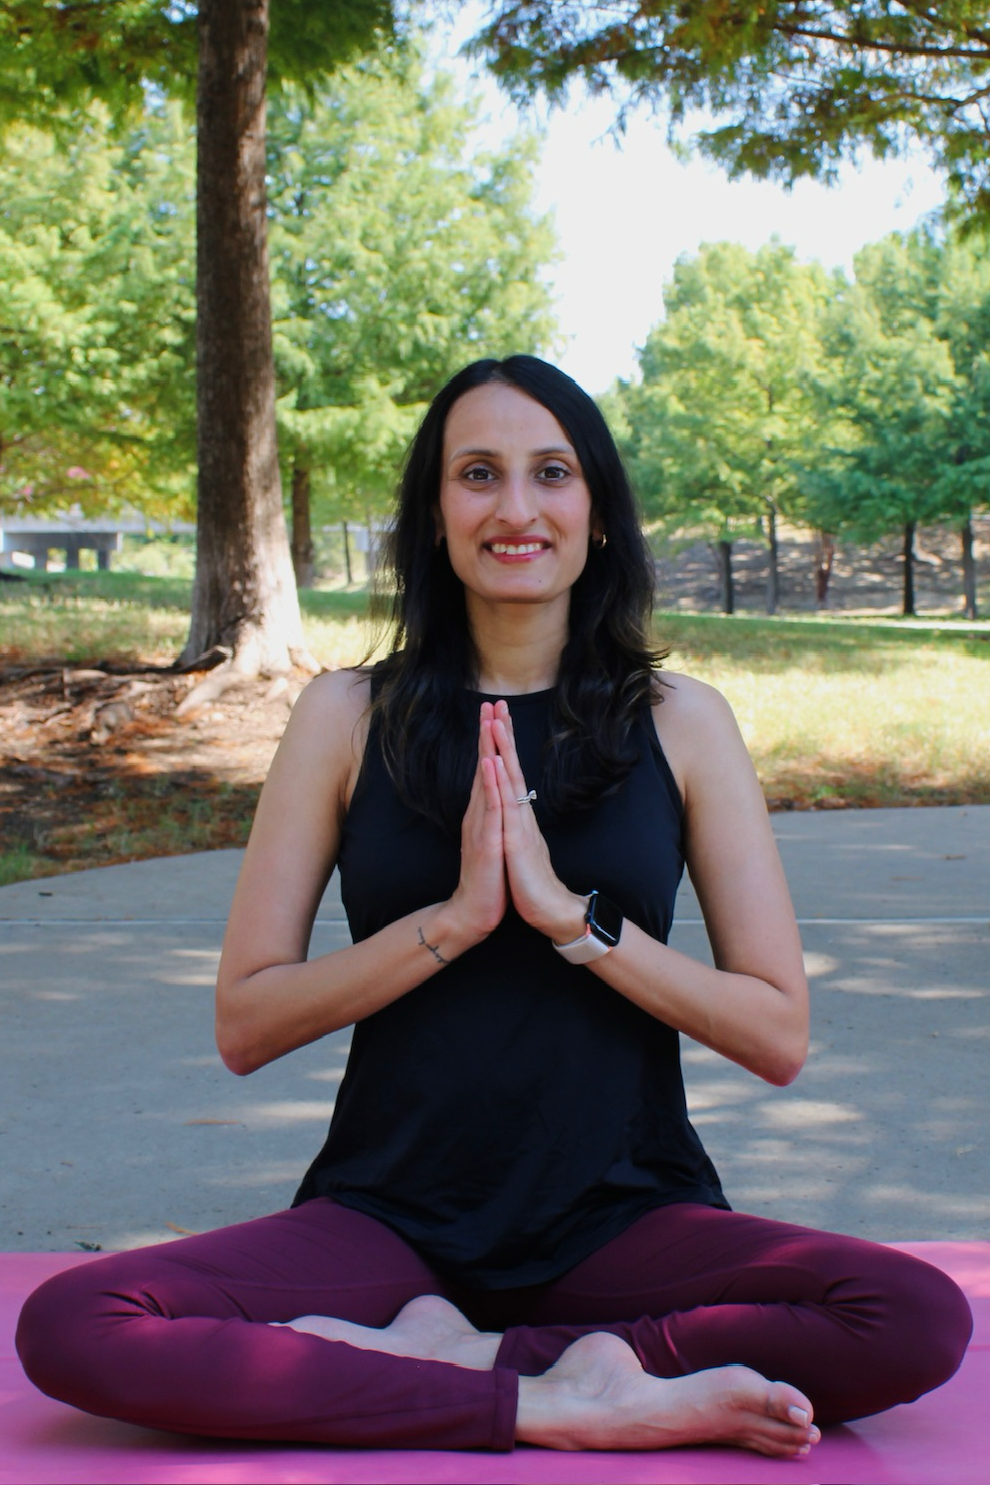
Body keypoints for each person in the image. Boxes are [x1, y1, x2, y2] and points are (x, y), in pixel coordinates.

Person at [17, 356, 971, 1458]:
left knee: (912, 1315)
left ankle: (512, 1361)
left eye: (550, 474)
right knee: (78, 1325)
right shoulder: (344, 717)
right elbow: (247, 1021)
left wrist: (574, 923)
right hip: (392, 1221)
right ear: (434, 514)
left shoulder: (683, 721)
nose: (515, 509)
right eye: (478, 474)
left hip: (624, 1222)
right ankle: (544, 1391)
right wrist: (453, 923)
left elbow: (777, 1033)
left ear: (598, 512)